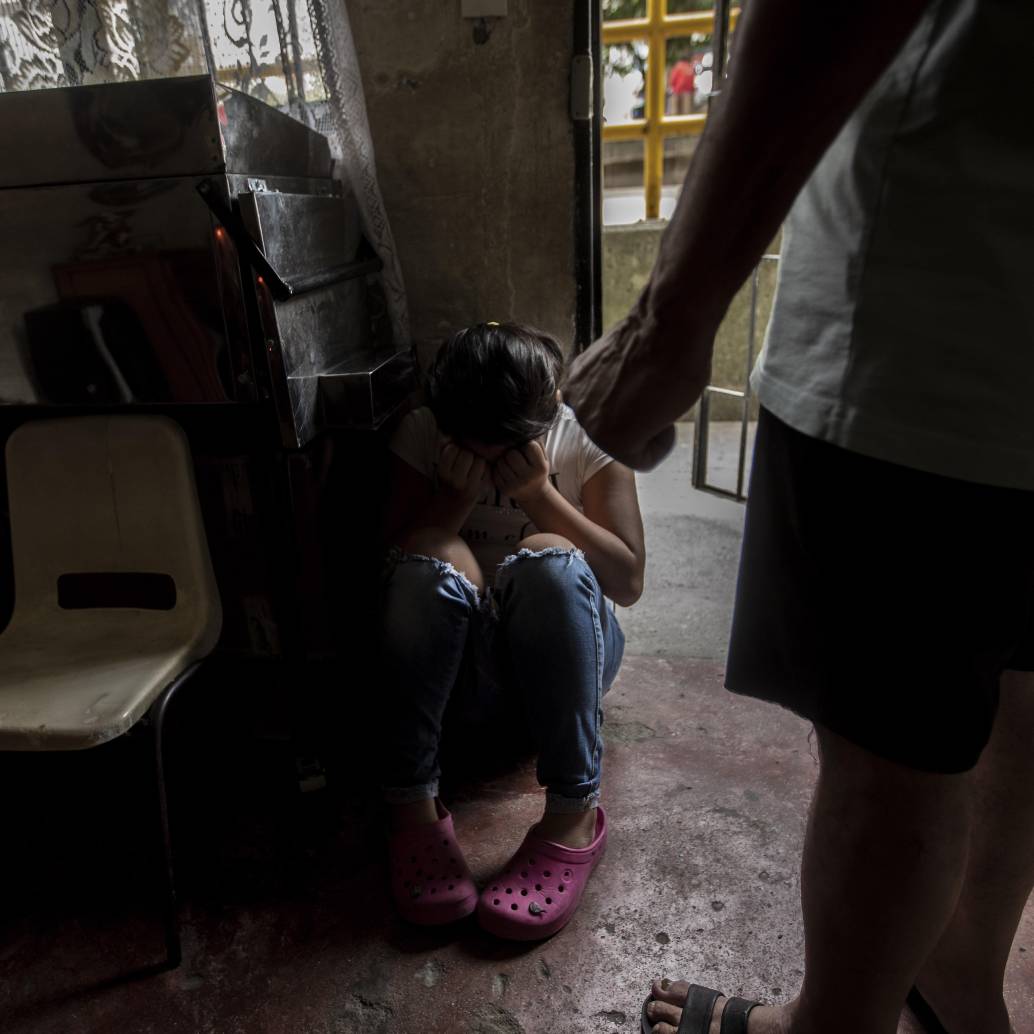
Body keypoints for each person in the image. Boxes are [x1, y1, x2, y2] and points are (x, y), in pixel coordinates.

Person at [563, 0, 1034, 1031]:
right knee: (1015, 694)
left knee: (887, 746)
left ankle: (830, 1024)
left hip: (935, 316)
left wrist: (665, 323)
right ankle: (958, 976)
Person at [379, 321, 645, 940]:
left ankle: (573, 814)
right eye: (472, 445)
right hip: (460, 679)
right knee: (430, 550)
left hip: (564, 662)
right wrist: (451, 501)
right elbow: (385, 577)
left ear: (547, 414)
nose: (488, 462)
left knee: (549, 555)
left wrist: (538, 495)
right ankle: (411, 806)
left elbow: (628, 582)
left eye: (506, 448)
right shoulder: (423, 431)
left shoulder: (588, 436)